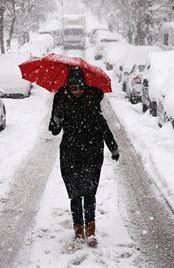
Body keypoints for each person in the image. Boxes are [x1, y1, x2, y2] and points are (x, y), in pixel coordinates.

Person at [49, 66, 119, 247]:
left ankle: (91, 230)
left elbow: (103, 127)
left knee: (89, 193)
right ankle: (78, 230)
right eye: (73, 88)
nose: (77, 91)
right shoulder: (62, 101)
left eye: (80, 87)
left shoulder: (92, 102)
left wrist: (113, 148)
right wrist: (56, 118)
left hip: (92, 154)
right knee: (75, 194)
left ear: (85, 86)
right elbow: (55, 130)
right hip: (70, 154)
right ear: (69, 88)